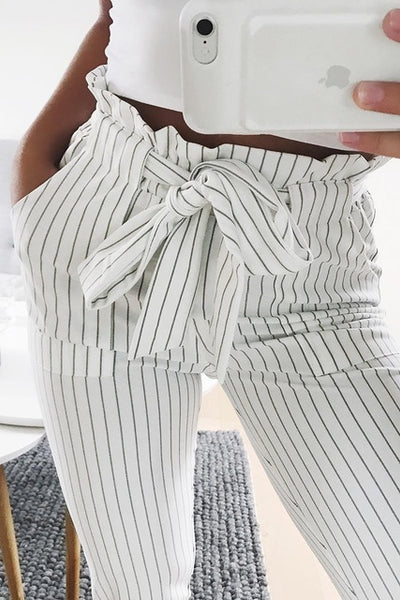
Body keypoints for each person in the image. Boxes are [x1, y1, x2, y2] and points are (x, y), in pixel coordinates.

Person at [9, 2, 400, 599]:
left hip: (298, 254)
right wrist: (36, 173)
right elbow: (117, 13)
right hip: (108, 227)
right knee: (135, 584)